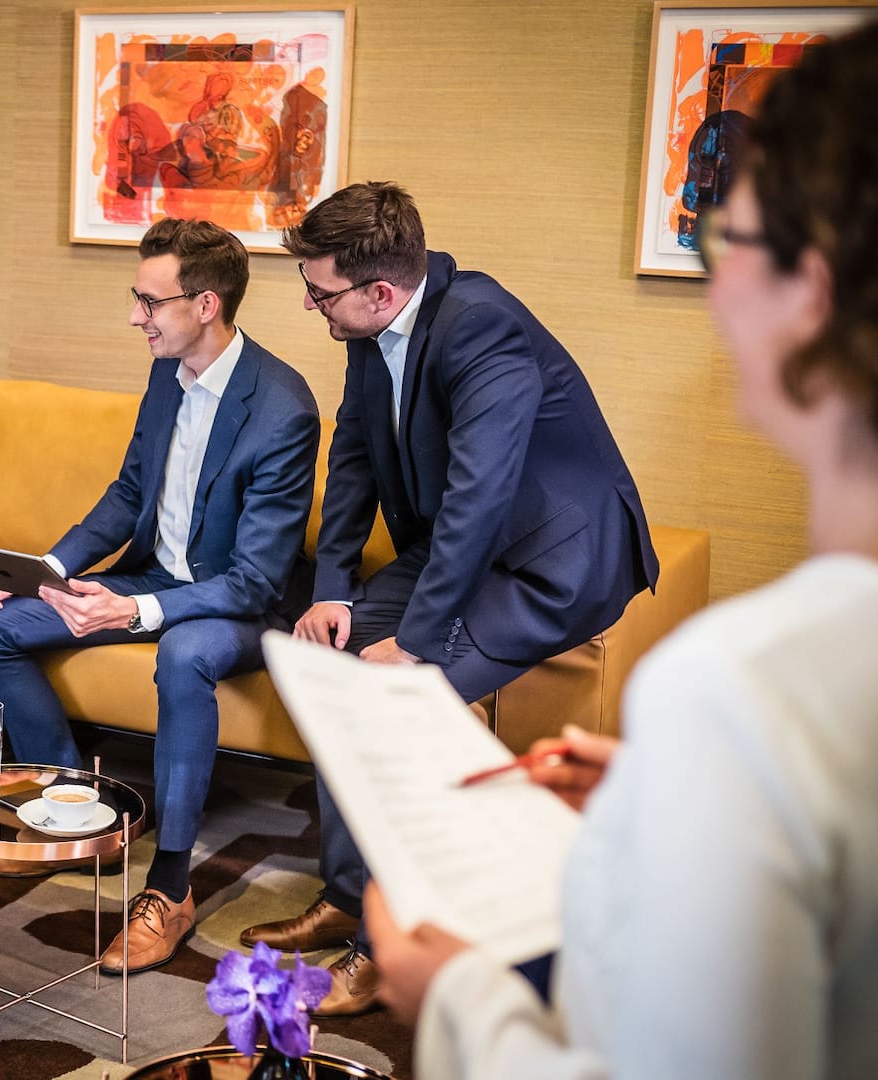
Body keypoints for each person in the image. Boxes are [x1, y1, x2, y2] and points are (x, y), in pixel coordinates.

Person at [368, 26, 878, 1077]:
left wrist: (457, 1000)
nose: (714, 288)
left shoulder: (738, 689)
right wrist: (680, 794)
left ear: (811, 293)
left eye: (722, 239)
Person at [238, 181, 660, 1015]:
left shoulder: (481, 326)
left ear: (379, 291)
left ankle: (384, 945)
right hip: (460, 548)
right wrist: (333, 592)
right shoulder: (369, 328)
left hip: (547, 563)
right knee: (331, 665)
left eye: (319, 293)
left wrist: (416, 641)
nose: (310, 305)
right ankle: (349, 896)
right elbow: (353, 458)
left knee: (389, 701)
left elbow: (481, 495)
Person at [0, 217, 320, 975]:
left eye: (150, 302)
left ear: (206, 305)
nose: (135, 317)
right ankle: (77, 812)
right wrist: (42, 571)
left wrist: (130, 610)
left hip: (242, 605)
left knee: (184, 651)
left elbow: (254, 579)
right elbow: (129, 495)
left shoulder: (283, 408)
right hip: (156, 575)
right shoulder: (166, 372)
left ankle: (170, 888)